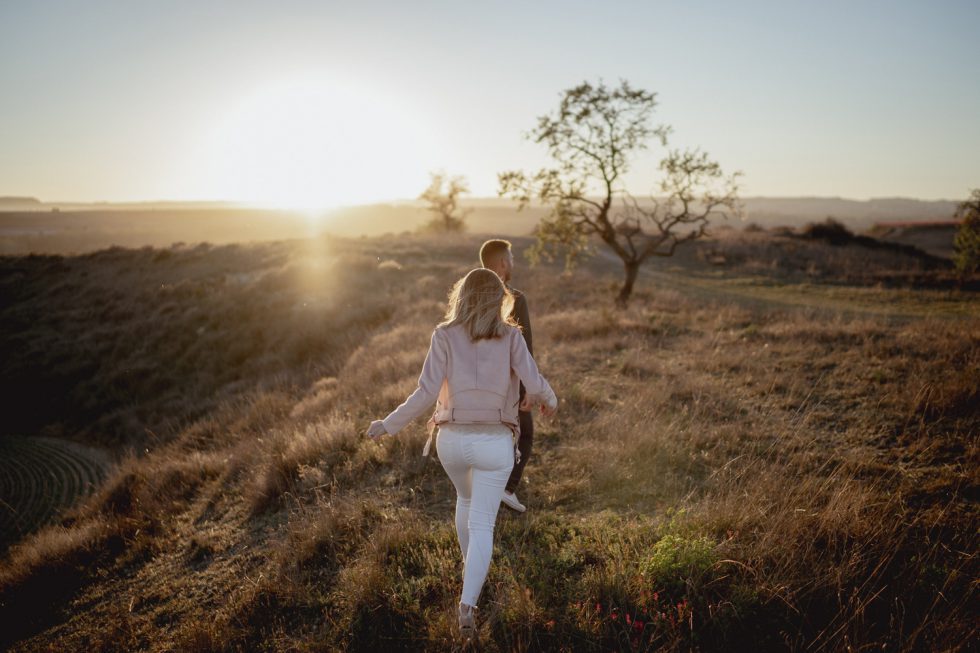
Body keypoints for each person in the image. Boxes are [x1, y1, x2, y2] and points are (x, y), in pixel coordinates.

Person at [366, 268, 558, 641]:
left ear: (462, 296)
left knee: (465, 499)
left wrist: (387, 424)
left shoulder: (444, 335)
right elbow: (534, 383)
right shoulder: (511, 336)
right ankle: (468, 605)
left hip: (451, 441)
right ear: (498, 298)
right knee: (483, 522)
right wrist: (551, 400)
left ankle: (472, 573)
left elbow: (424, 393)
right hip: (494, 442)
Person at [479, 239, 533, 513]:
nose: (513, 263)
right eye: (511, 258)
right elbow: (525, 349)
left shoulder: (470, 299)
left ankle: (486, 489)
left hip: (475, 384)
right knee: (524, 435)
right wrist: (527, 390)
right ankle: (506, 488)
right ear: (502, 263)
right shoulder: (516, 299)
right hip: (509, 385)